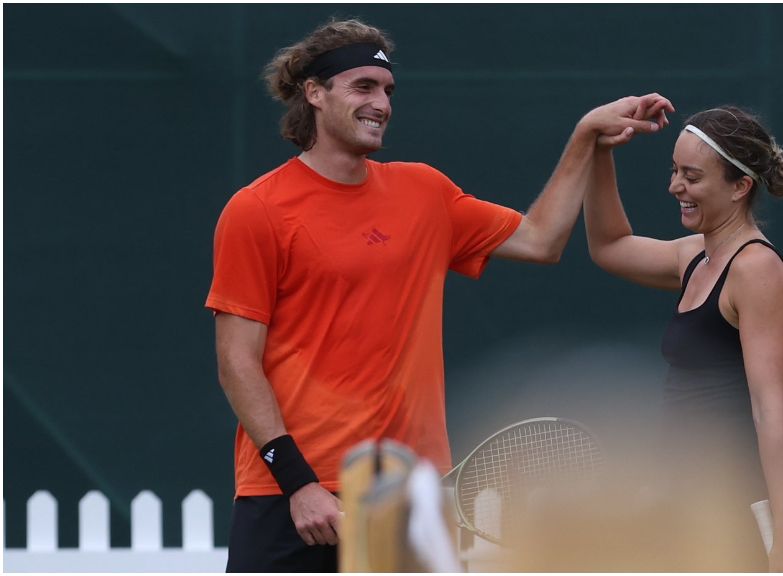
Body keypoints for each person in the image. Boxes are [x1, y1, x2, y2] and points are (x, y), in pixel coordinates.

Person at [204, 18, 673, 572]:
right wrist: (298, 483)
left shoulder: (423, 191)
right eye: (363, 87)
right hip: (295, 497)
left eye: (387, 91)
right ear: (314, 93)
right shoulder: (257, 210)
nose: (381, 103)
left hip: (409, 495)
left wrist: (585, 138)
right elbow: (238, 362)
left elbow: (540, 239)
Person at [582, 105, 783, 571]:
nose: (674, 187)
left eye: (692, 176)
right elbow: (608, 246)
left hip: (729, 508)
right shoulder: (694, 258)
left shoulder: (756, 270)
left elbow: (771, 414)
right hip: (683, 501)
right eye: (674, 171)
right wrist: (599, 154)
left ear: (740, 186)